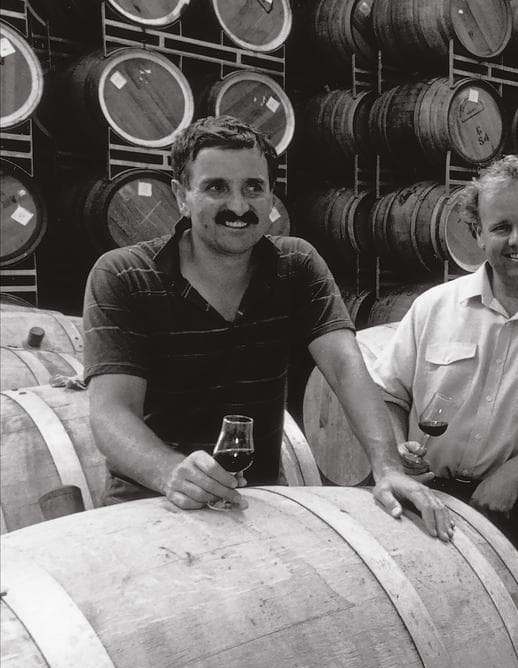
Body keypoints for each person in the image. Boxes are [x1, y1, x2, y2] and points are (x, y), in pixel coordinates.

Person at [83, 116, 452, 538]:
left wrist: (386, 466)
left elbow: (347, 367)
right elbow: (111, 412)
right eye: (216, 187)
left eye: (253, 187)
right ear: (181, 196)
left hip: (252, 505)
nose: (239, 206)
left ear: (270, 195)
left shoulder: (296, 265)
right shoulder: (124, 274)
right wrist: (170, 472)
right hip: (150, 506)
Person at [370, 155, 518, 637]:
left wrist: (515, 473)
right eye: (501, 227)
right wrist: (396, 452)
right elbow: (388, 394)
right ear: (477, 233)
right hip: (430, 502)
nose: (517, 241)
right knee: (428, 635)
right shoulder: (434, 307)